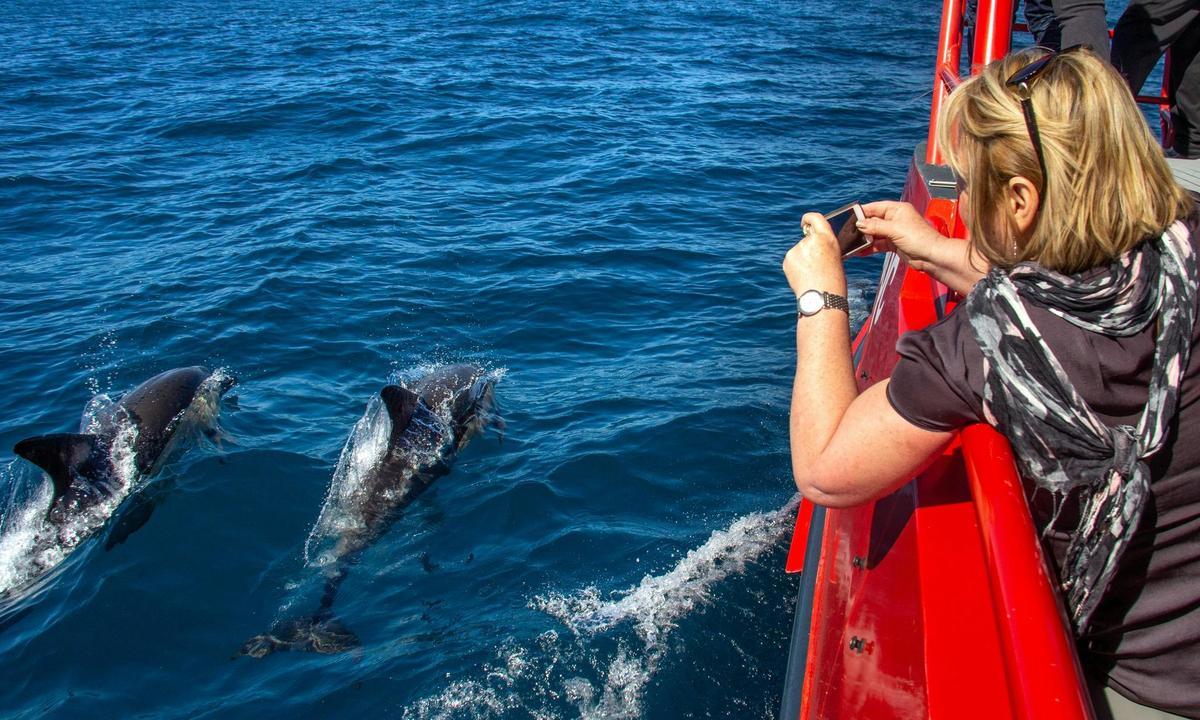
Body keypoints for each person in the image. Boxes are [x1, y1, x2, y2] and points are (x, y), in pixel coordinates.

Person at [782, 47, 1199, 718]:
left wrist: (820, 298)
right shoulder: (1183, 243)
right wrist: (931, 249)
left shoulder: (992, 342)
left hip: (1153, 680)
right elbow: (1077, 300)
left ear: (1021, 201)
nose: (961, 199)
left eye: (968, 183)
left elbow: (827, 471)